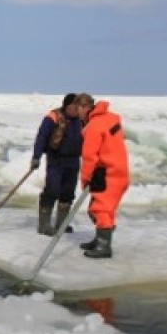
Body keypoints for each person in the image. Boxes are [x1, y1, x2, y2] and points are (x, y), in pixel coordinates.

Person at [74, 93, 130, 259]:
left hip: (108, 173)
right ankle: (100, 239)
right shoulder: (110, 118)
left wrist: (85, 180)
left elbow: (89, 157)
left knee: (100, 209)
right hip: (119, 172)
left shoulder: (94, 126)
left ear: (84, 108)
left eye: (78, 110)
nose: (78, 115)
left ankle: (104, 246)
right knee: (105, 209)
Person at [31, 93, 83, 236]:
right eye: (73, 106)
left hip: (73, 161)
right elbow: (42, 136)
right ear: (66, 105)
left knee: (67, 193)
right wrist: (36, 156)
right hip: (56, 159)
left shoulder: (81, 120)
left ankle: (62, 224)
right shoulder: (53, 117)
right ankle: (44, 225)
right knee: (52, 190)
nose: (75, 109)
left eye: (77, 107)